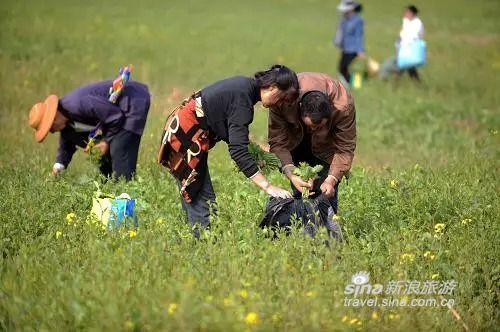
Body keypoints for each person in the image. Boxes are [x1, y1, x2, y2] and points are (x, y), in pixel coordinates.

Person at [157, 65, 299, 237]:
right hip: (186, 138)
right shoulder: (243, 100)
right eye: (282, 98)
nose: (280, 105)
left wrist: (256, 153)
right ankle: (203, 250)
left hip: (181, 132)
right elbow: (237, 150)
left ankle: (196, 241)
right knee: (203, 204)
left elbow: (229, 131)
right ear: (272, 87)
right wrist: (268, 187)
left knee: (201, 199)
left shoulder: (244, 87)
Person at [268, 72, 356, 214]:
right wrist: (291, 173)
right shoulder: (283, 99)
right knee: (300, 193)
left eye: (319, 127)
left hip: (326, 147)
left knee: (326, 197)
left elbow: (345, 148)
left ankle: (325, 230)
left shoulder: (343, 106)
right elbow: (278, 142)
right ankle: (300, 224)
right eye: (310, 126)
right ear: (300, 109)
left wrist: (331, 180)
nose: (313, 130)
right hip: (295, 141)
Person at [28, 80, 151, 180]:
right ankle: (109, 187)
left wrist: (106, 141)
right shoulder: (65, 121)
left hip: (131, 102)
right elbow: (66, 144)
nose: (52, 132)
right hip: (114, 117)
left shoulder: (78, 104)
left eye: (50, 128)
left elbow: (115, 116)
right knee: (98, 154)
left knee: (120, 149)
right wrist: (57, 168)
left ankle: (127, 194)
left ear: (54, 119)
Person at [380, 5, 424, 81]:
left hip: (409, 50)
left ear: (412, 13)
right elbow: (401, 34)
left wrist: (402, 46)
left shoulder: (417, 23)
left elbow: (413, 37)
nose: (405, 13)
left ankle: (387, 81)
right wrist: (397, 44)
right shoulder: (406, 22)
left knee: (390, 65)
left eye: (407, 12)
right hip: (403, 49)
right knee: (409, 68)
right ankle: (418, 85)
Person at [334, 0, 365, 85]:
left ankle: (350, 84)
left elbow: (359, 36)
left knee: (344, 67)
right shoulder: (344, 19)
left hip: (353, 49)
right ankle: (348, 83)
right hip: (345, 48)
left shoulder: (358, 20)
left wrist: (360, 51)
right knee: (342, 67)